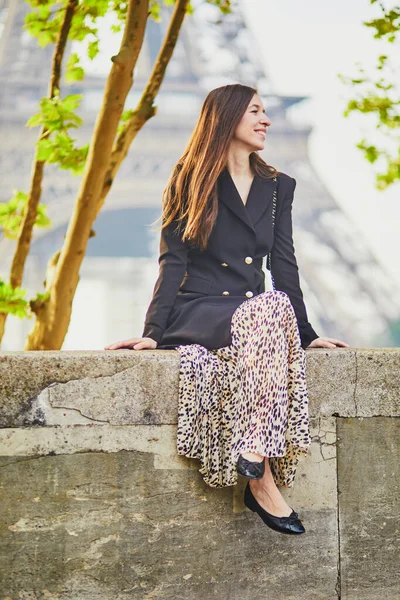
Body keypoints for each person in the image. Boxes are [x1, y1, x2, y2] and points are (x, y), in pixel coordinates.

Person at [105, 83, 349, 535]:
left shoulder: (279, 188)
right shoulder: (188, 179)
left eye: (266, 111)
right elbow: (172, 262)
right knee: (270, 309)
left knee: (273, 303)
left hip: (256, 313)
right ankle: (260, 468)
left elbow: (285, 265)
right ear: (228, 117)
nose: (267, 120)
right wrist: (153, 332)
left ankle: (257, 469)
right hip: (200, 310)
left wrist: (309, 333)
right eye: (255, 111)